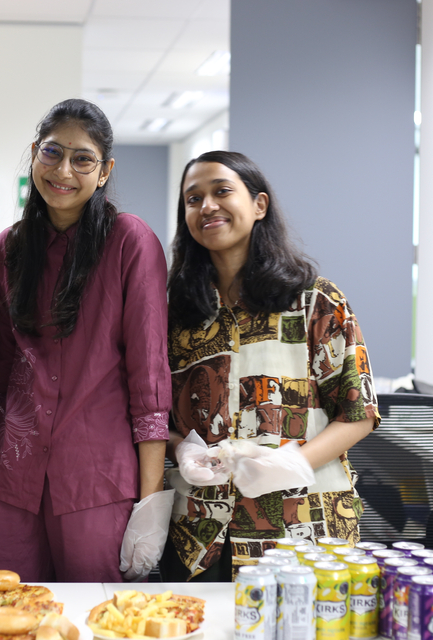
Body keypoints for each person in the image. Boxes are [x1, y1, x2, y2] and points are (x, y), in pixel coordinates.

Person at [0, 98, 173, 582]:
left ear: (104, 172)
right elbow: (0, 374)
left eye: (82, 159)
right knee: (2, 612)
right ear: (35, 154)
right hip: (9, 483)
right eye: (52, 152)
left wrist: (149, 508)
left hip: (95, 484)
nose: (63, 170)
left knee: (95, 616)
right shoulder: (8, 248)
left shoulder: (130, 242)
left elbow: (149, 380)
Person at [162, 150, 380, 581]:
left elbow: (359, 412)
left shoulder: (315, 300)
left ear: (259, 204)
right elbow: (156, 418)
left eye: (222, 191)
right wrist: (180, 450)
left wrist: (292, 463)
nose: (207, 206)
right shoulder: (177, 315)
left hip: (304, 527)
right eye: (193, 198)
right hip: (202, 531)